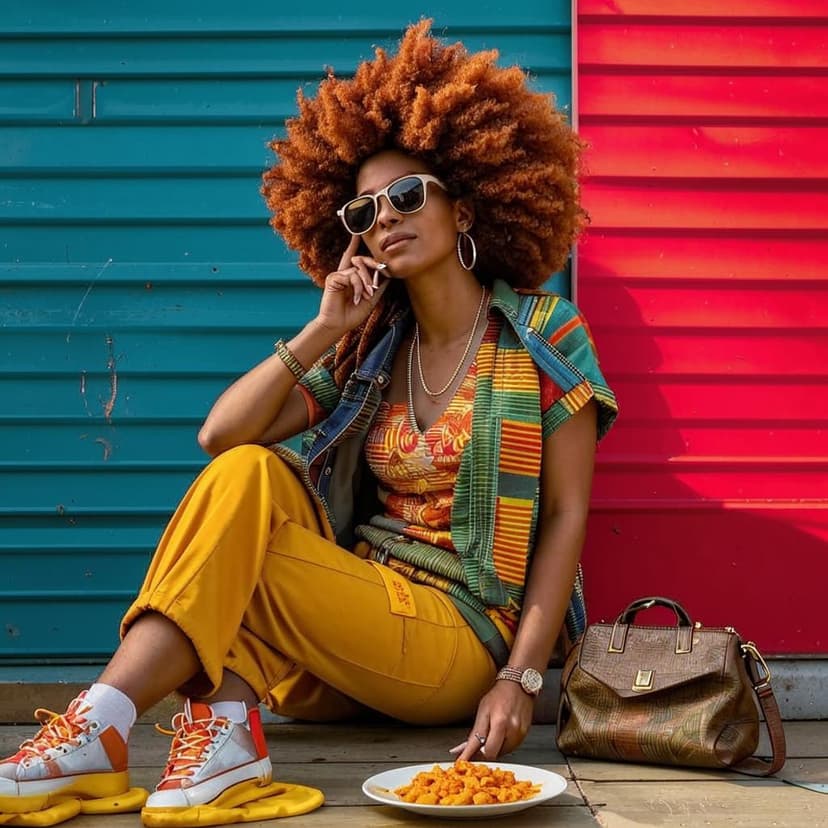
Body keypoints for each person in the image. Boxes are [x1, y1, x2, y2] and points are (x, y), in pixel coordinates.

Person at [0, 20, 617, 827]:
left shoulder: (545, 333)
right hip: (340, 641)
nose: (384, 218)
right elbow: (222, 435)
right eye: (363, 210)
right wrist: (326, 325)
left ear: (464, 209)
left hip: (459, 643)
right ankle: (217, 735)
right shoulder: (368, 346)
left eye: (406, 196)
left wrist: (521, 678)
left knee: (232, 555)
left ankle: (102, 729)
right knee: (246, 475)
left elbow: (567, 516)